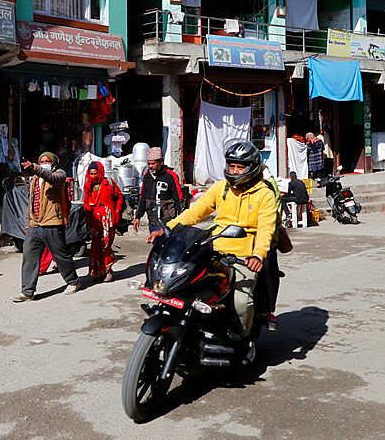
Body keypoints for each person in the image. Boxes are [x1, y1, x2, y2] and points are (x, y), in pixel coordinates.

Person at [151, 141, 277, 341]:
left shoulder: (265, 195)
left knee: (242, 303)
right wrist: (168, 229)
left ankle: (244, 339)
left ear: (251, 168)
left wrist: (257, 254)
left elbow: (265, 229)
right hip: (215, 249)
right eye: (231, 165)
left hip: (244, 257)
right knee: (185, 288)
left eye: (240, 166)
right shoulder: (221, 188)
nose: (234, 171)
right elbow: (194, 213)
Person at [11, 152, 80, 302]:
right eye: (41, 161)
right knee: (29, 257)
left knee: (61, 256)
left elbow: (52, 178)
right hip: (35, 225)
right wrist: (27, 225)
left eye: (47, 161)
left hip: (52, 223)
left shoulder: (59, 175)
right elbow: (30, 203)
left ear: (54, 162)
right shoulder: (35, 179)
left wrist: (35, 167)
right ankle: (27, 291)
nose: (44, 163)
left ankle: (73, 281)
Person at [82, 161, 124, 282]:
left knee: (106, 246)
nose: (93, 176)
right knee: (96, 247)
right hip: (95, 221)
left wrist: (116, 211)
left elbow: (119, 197)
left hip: (109, 221)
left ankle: (108, 270)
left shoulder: (109, 183)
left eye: (96, 173)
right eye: (91, 173)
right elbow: (86, 202)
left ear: (100, 172)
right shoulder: (87, 185)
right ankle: (99, 272)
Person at [134, 147, 185, 240]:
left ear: (161, 162)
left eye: (153, 163)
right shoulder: (147, 177)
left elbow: (179, 198)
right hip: (152, 220)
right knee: (156, 246)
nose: (150, 166)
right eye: (148, 164)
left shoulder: (171, 176)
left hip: (167, 220)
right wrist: (138, 217)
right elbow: (143, 198)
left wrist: (182, 219)